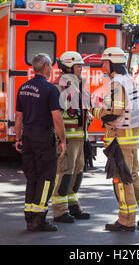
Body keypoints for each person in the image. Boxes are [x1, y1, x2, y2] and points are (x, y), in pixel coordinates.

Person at [91, 47, 139, 232]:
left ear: (112, 63)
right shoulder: (129, 81)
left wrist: (94, 110)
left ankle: (126, 220)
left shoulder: (117, 83)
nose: (103, 66)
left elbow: (114, 112)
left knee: (122, 181)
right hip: (131, 138)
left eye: (105, 62)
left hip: (120, 140)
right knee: (132, 176)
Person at [14, 54, 66, 232]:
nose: (51, 69)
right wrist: (63, 140)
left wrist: (17, 138)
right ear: (45, 67)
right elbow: (56, 118)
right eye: (50, 65)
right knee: (46, 179)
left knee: (32, 177)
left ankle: (29, 217)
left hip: (28, 137)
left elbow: (18, 117)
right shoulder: (50, 89)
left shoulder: (23, 88)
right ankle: (39, 219)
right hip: (43, 138)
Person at [51, 51, 91, 223]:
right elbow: (56, 115)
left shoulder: (79, 84)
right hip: (67, 138)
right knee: (64, 173)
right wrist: (61, 139)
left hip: (80, 137)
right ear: (67, 67)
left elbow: (85, 109)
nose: (81, 68)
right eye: (78, 66)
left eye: (81, 65)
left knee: (77, 173)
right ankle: (60, 210)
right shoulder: (59, 86)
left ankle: (73, 205)